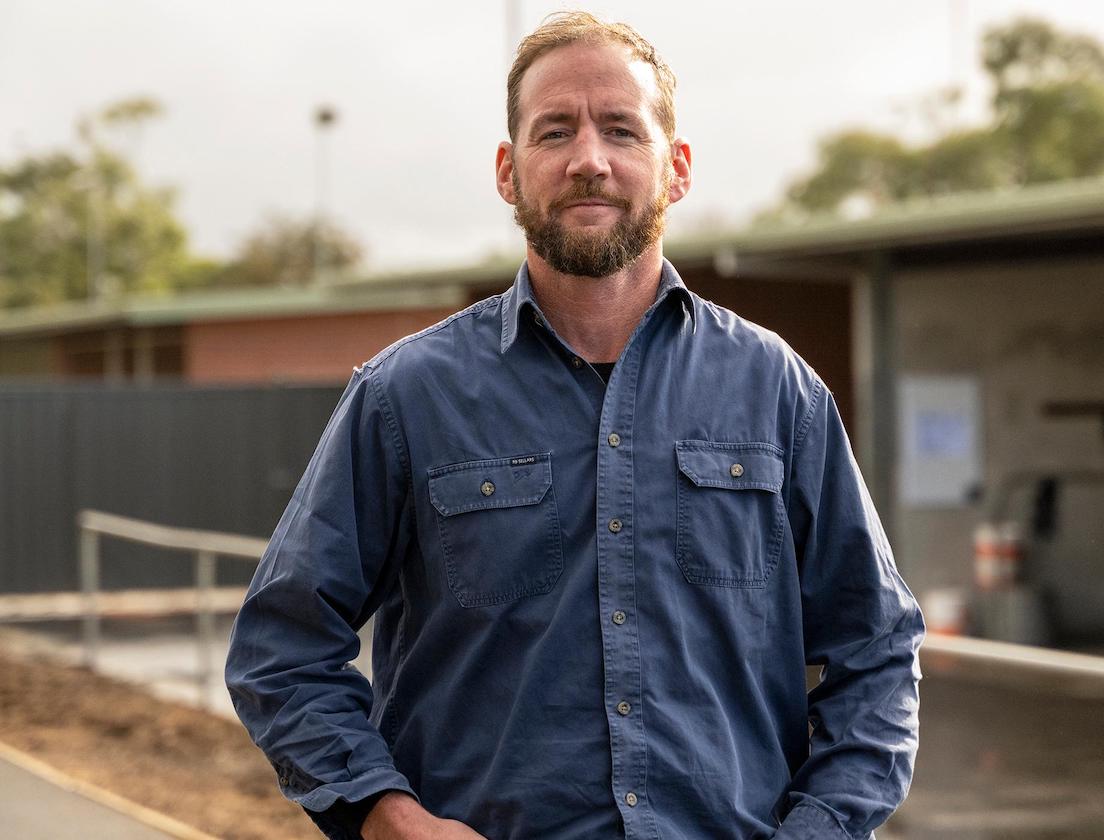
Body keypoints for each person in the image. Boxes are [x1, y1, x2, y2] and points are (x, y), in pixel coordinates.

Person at [226, 11, 923, 840]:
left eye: (621, 130)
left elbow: (878, 652)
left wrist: (819, 829)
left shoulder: (778, 393)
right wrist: (385, 815)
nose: (588, 159)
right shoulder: (404, 395)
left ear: (677, 169)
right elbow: (281, 642)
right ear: (508, 170)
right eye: (554, 130)